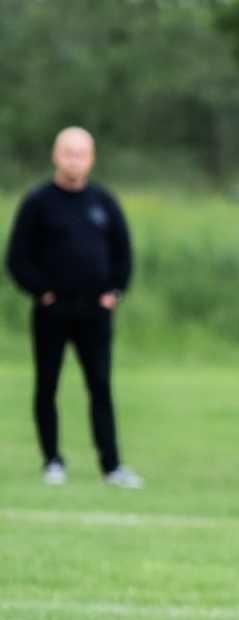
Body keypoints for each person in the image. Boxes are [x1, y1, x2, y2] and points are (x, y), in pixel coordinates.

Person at [4, 126, 141, 488]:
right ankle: (52, 460)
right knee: (47, 384)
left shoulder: (103, 202)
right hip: (52, 310)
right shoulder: (38, 203)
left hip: (95, 310)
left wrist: (115, 291)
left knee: (99, 385)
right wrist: (40, 291)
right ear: (55, 154)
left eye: (81, 153)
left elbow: (123, 253)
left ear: (91, 157)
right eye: (68, 152)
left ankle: (110, 465)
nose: (74, 159)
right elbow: (17, 256)